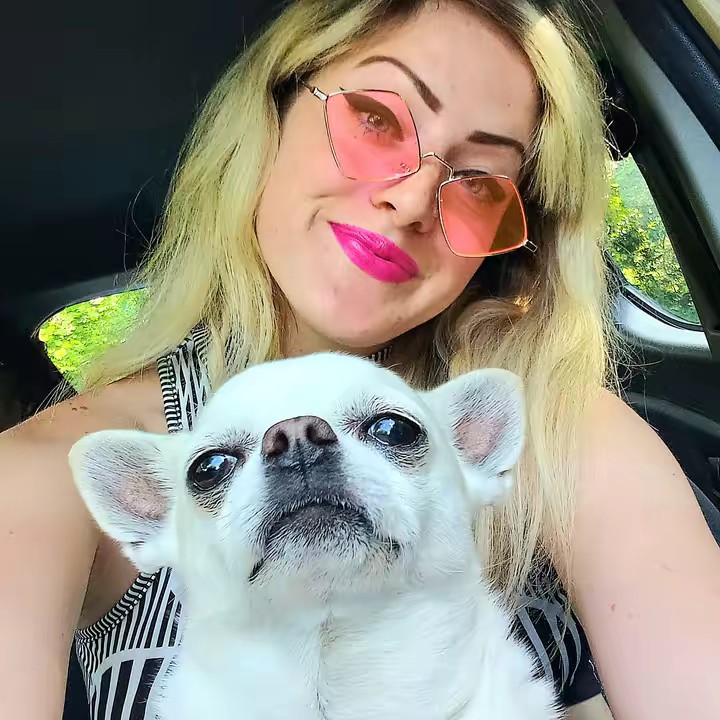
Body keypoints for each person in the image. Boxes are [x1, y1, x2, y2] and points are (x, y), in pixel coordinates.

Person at [1, 1, 719, 718]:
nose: (412, 199)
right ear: (271, 115)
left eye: (478, 182)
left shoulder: (558, 426)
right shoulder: (46, 476)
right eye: (376, 119)